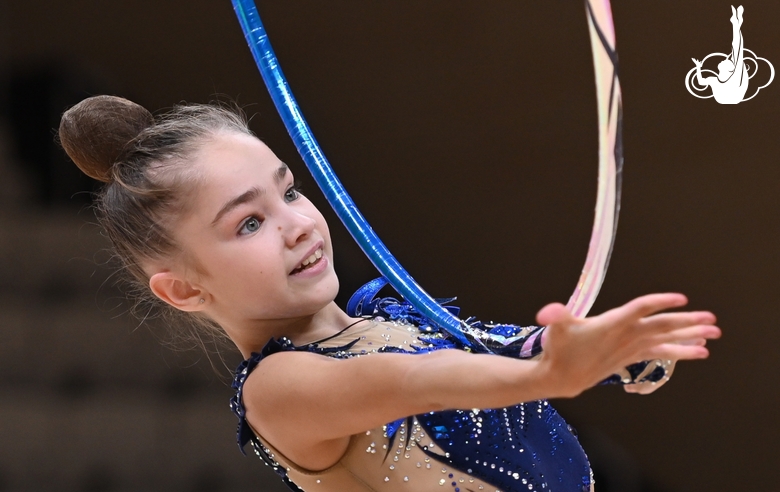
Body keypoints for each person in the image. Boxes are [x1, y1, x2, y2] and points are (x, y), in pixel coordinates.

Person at [59, 95, 720, 492]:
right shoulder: (277, 392)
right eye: (249, 223)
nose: (294, 224)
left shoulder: (392, 313)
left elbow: (501, 350)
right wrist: (550, 370)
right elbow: (419, 382)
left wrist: (605, 354)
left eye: (288, 190)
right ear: (183, 288)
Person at [692, 5, 748, 104]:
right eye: (727, 61)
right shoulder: (717, 79)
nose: (724, 59)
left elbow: (701, 82)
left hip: (731, 96)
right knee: (737, 52)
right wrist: (698, 67)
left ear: (728, 69)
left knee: (737, 51)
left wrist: (698, 68)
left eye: (726, 61)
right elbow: (700, 82)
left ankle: (736, 24)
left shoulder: (722, 79)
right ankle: (736, 24)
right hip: (731, 97)